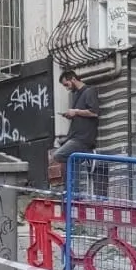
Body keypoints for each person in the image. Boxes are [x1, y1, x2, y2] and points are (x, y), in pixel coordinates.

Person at [55, 68, 106, 198]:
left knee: (59, 155)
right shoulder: (77, 94)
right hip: (75, 137)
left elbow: (94, 112)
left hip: (83, 138)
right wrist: (71, 115)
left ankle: (73, 191)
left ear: (73, 78)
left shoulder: (89, 91)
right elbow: (83, 113)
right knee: (72, 160)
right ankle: (73, 193)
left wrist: (76, 112)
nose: (67, 88)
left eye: (67, 84)